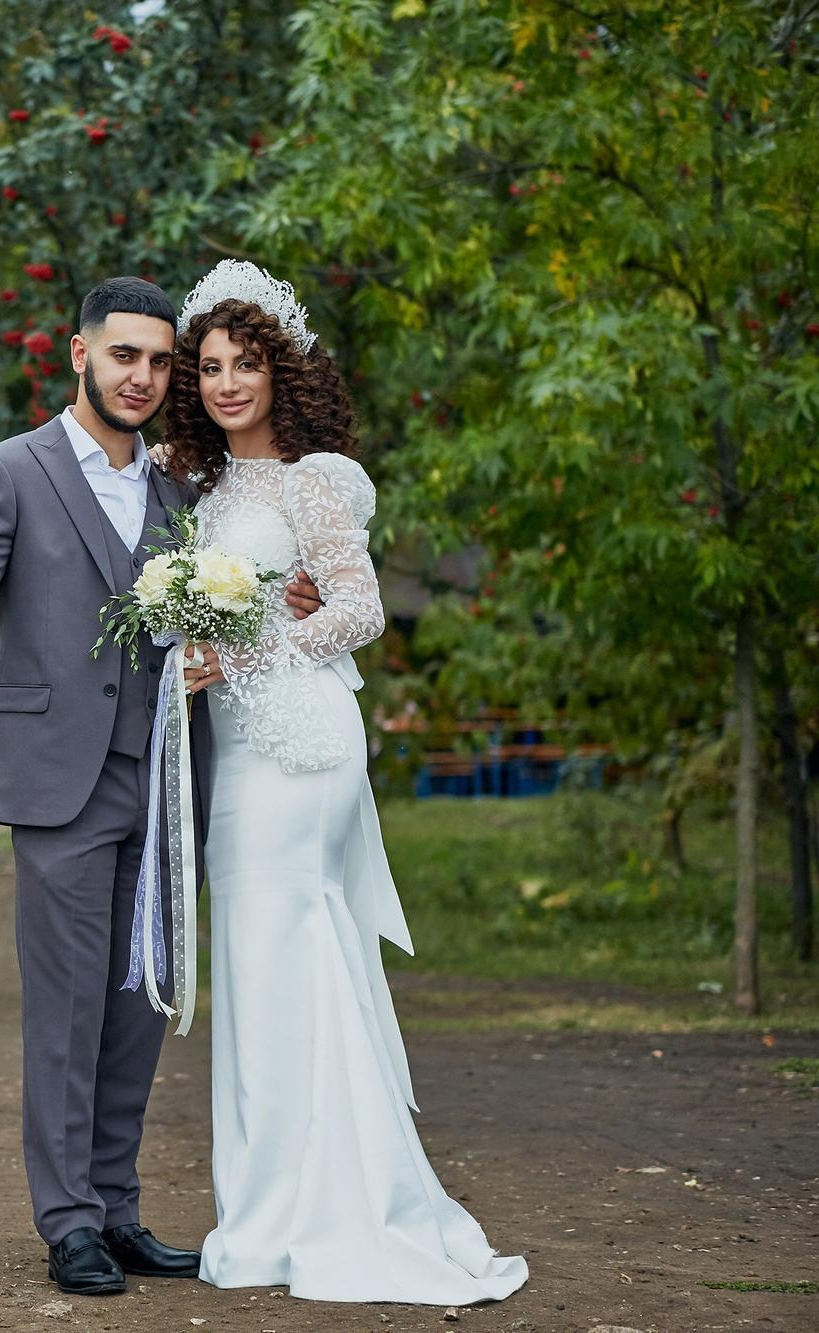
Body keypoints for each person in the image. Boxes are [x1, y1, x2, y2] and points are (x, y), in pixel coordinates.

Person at [0, 277, 321, 1297]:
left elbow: (235, 598)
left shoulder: (180, 488)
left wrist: (289, 594)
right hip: (57, 780)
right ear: (77, 354)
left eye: (161, 361)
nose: (145, 377)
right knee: (69, 1004)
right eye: (126, 355)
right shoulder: (7, 470)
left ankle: (117, 1208)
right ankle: (67, 1219)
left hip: (166, 771)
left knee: (137, 1001)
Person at [167, 260, 528, 1304]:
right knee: (259, 969)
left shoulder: (311, 481)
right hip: (241, 749)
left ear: (281, 369)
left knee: (286, 959)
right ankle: (269, 1206)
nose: (228, 382)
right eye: (211, 366)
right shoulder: (210, 485)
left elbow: (360, 608)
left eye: (245, 362)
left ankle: (312, 1213)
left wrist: (242, 651)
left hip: (300, 746)